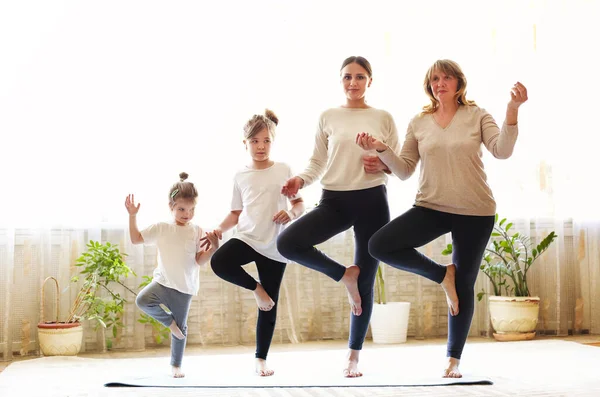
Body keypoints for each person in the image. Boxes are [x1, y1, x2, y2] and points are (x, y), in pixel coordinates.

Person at [360, 59, 528, 378]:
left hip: (475, 211)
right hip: (431, 206)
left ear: (459, 83)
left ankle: (454, 358)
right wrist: (382, 150)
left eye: (446, 77)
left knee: (464, 283)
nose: (441, 83)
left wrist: (513, 110)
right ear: (429, 86)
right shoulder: (419, 122)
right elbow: (405, 169)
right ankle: (442, 275)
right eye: (435, 78)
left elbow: (502, 150)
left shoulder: (477, 115)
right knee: (379, 244)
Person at [276, 56, 400, 378]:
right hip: (334, 200)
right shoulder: (328, 116)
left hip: (373, 200)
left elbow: (398, 164)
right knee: (288, 242)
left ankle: (353, 356)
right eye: (347, 77)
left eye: (360, 77)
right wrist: (299, 181)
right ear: (340, 80)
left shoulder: (383, 117)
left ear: (370, 81)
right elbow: (317, 162)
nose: (353, 83)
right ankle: (344, 274)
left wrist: (381, 164)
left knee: (367, 281)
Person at [205, 109, 305, 377]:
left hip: (275, 245)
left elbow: (298, 204)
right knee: (219, 261)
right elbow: (236, 213)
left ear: (273, 140)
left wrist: (291, 213)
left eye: (266, 141)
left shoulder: (284, 170)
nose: (261, 146)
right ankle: (256, 288)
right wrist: (217, 228)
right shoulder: (240, 176)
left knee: (270, 304)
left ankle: (261, 359)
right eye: (255, 141)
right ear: (245, 142)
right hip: (247, 237)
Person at [125, 173, 219, 378]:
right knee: (143, 300)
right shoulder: (162, 228)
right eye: (181, 209)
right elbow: (135, 239)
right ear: (171, 207)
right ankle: (170, 324)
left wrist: (212, 249)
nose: (187, 214)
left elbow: (198, 260)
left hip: (184, 288)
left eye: (191, 209)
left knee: (181, 327)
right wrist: (132, 215)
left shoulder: (197, 230)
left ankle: (176, 366)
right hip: (163, 282)